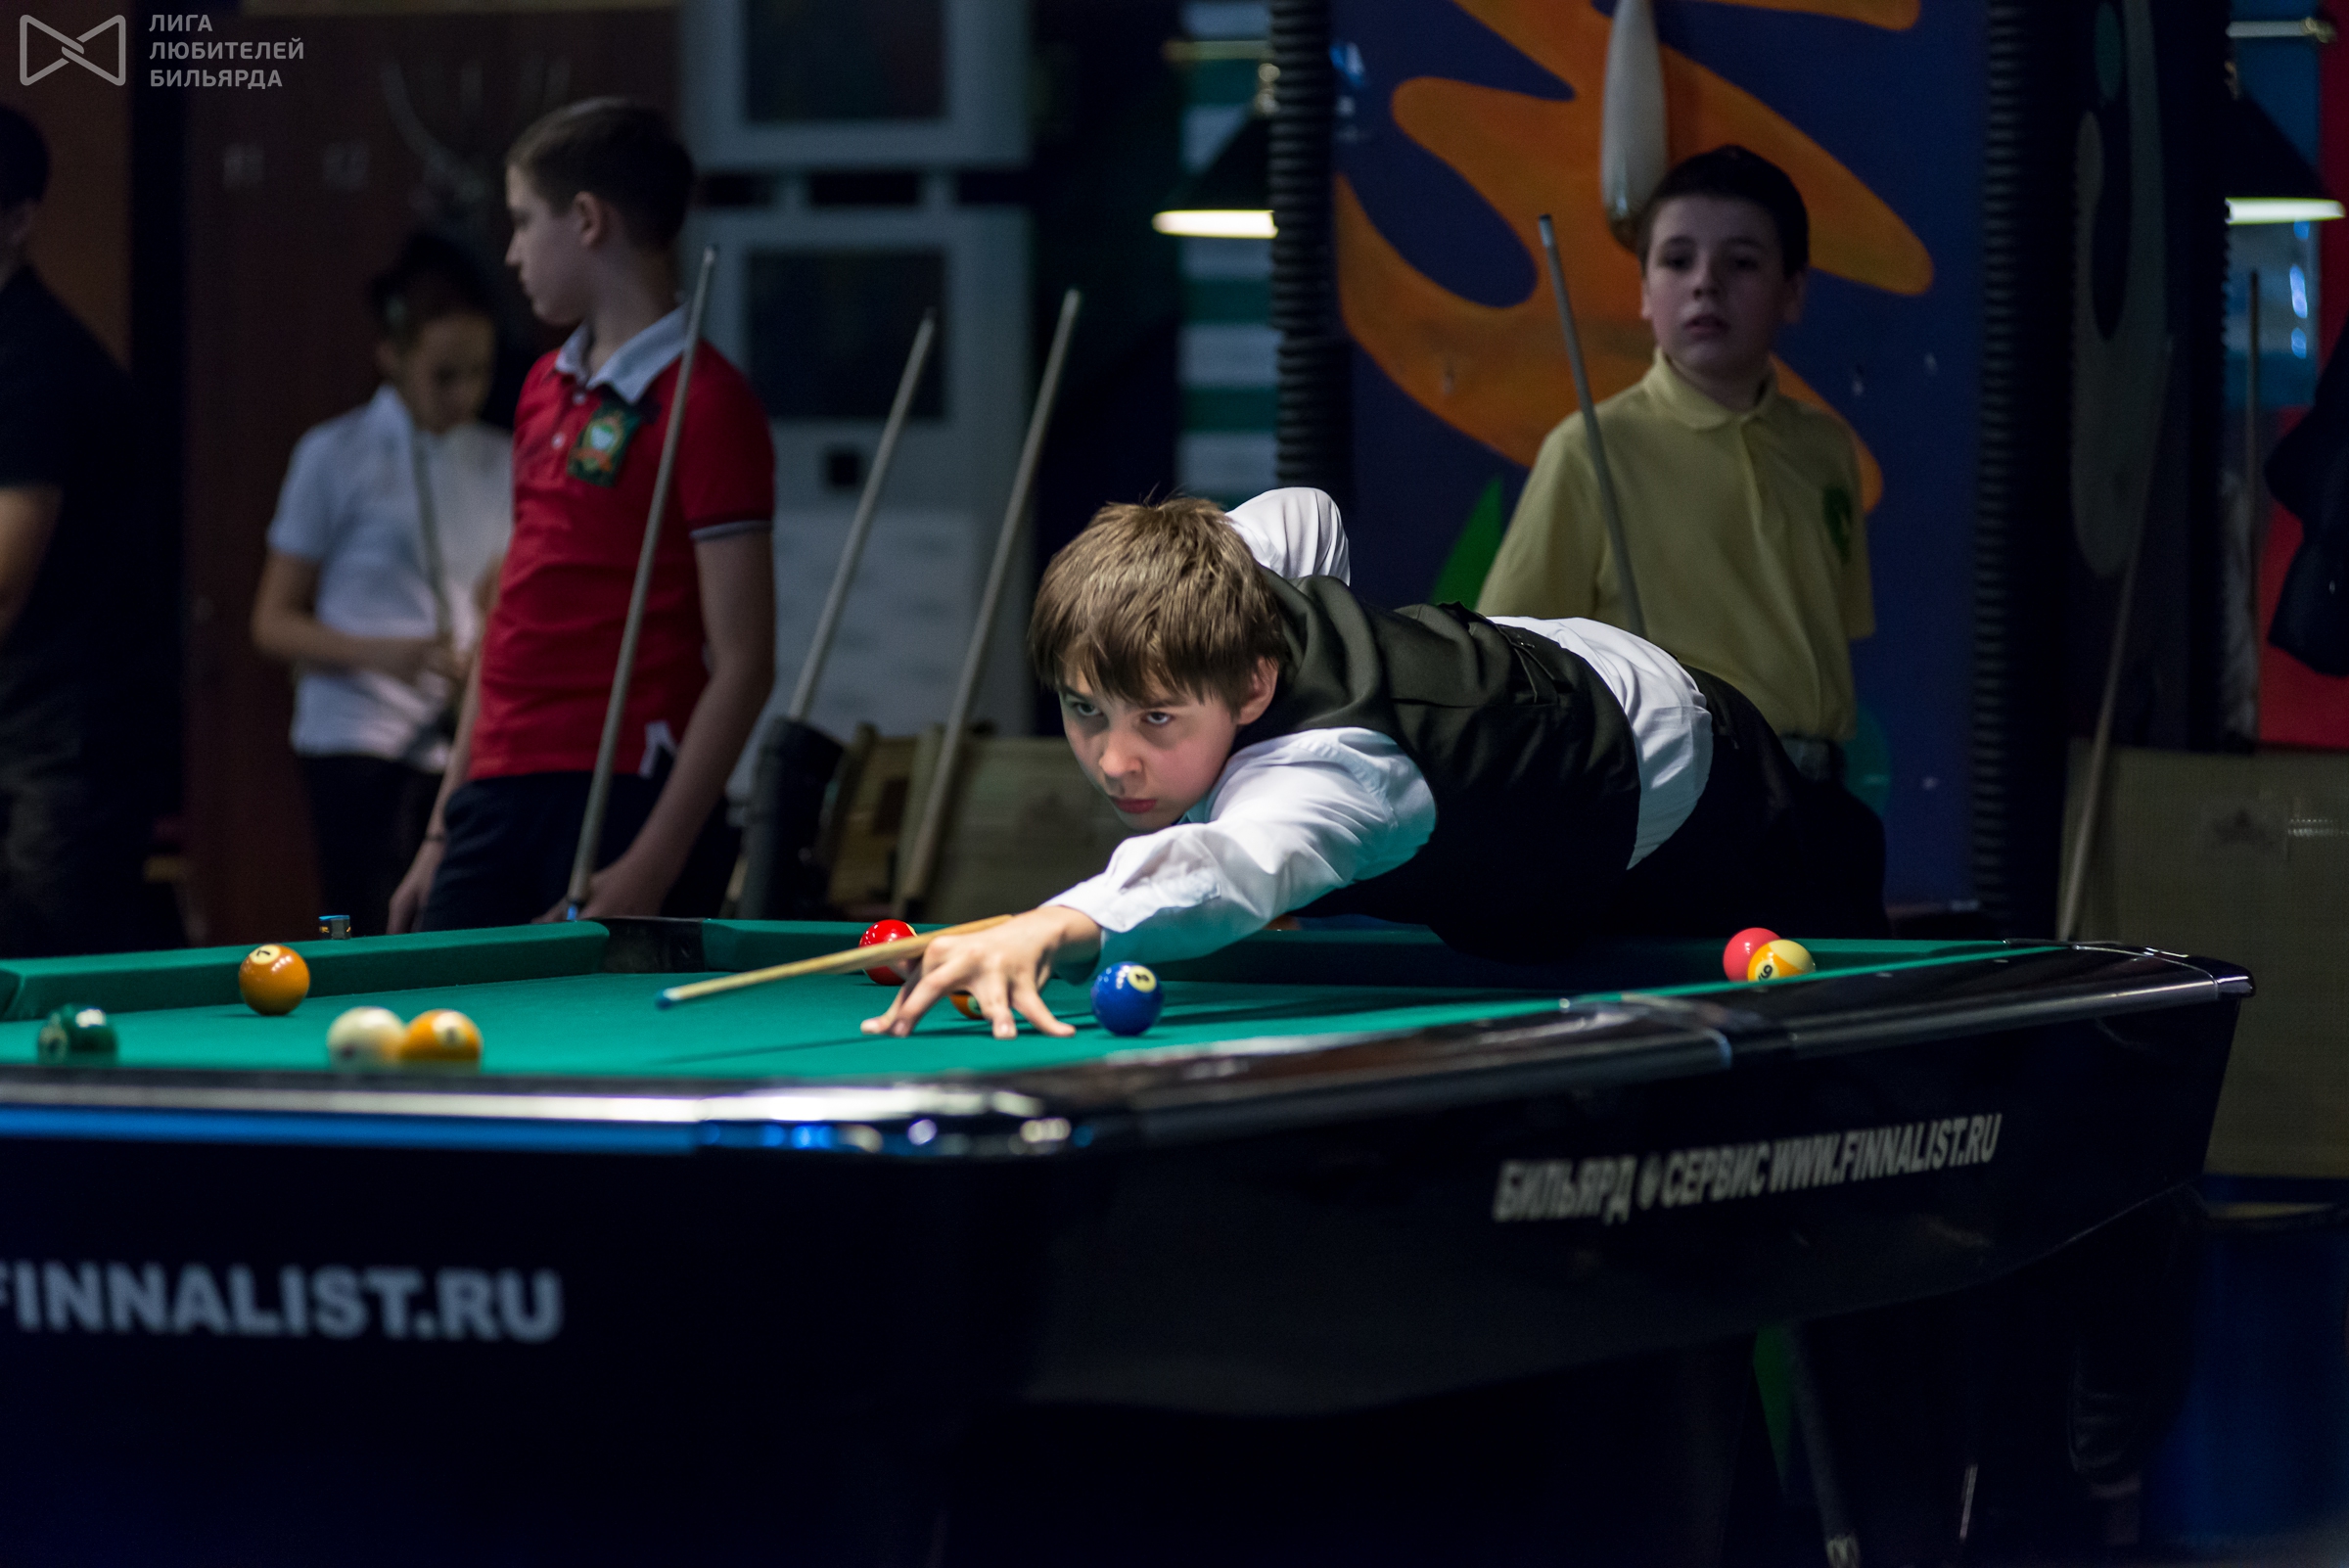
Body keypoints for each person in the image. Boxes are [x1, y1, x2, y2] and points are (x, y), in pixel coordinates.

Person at [864, 488, 1879, 1041]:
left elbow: (1230, 867)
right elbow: (1306, 512)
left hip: (1693, 781)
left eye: (1157, 719)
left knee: (1845, 1016)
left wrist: (1053, 925)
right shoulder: (1236, 590)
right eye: (1085, 710)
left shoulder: (1332, 773)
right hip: (1539, 709)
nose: (1114, 760)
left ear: (1255, 686)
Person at [389, 100, 774, 931]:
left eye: (525, 221)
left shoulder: (707, 402)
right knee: (440, 1009)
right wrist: (440, 830)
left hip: (616, 786)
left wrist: (653, 864)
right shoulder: (541, 386)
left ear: (589, 221)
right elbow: (510, 612)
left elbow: (746, 661)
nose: (512, 251)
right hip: (493, 787)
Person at [1476, 145, 1885, 927]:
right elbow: (1507, 653)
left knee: (1850, 1002)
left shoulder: (1825, 449)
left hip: (1821, 807)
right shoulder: (1591, 449)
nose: (1706, 283)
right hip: (1685, 808)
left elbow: (1831, 637)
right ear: (1643, 293)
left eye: (1742, 262)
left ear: (1793, 292)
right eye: (1676, 260)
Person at [251, 233, 512, 936]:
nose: (465, 394)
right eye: (444, 375)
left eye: (479, 373)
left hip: (452, 737)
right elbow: (272, 621)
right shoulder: (335, 454)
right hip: (355, 734)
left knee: (443, 923)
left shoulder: (502, 460)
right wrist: (384, 653)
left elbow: (497, 600)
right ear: (392, 357)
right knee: (354, 919)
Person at [0, 106, 171, 956]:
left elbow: (1, 586)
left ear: (18, 219)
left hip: (63, 753)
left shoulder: (33, 361)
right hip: (30, 734)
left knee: (45, 988)